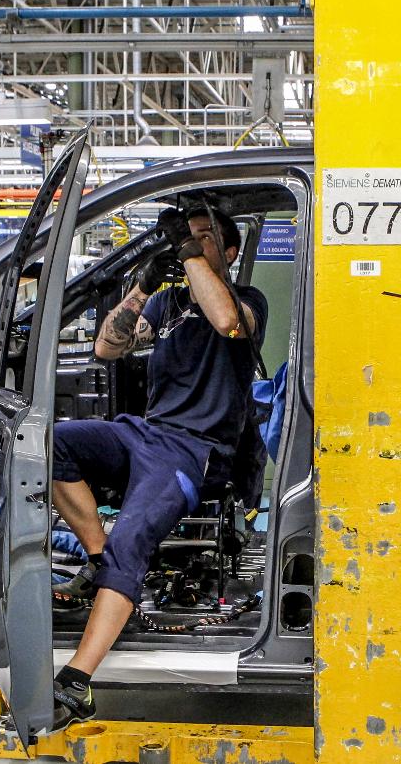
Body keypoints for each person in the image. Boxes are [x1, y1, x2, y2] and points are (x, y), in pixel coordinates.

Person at [46, 206, 267, 731]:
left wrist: (191, 254)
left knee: (133, 538)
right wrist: (143, 285)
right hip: (146, 433)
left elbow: (226, 321)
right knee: (50, 444)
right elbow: (107, 347)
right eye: (185, 238)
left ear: (229, 253)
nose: (190, 244)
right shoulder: (166, 305)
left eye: (204, 238)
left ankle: (77, 678)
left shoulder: (246, 301)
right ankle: (100, 561)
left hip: (197, 451)